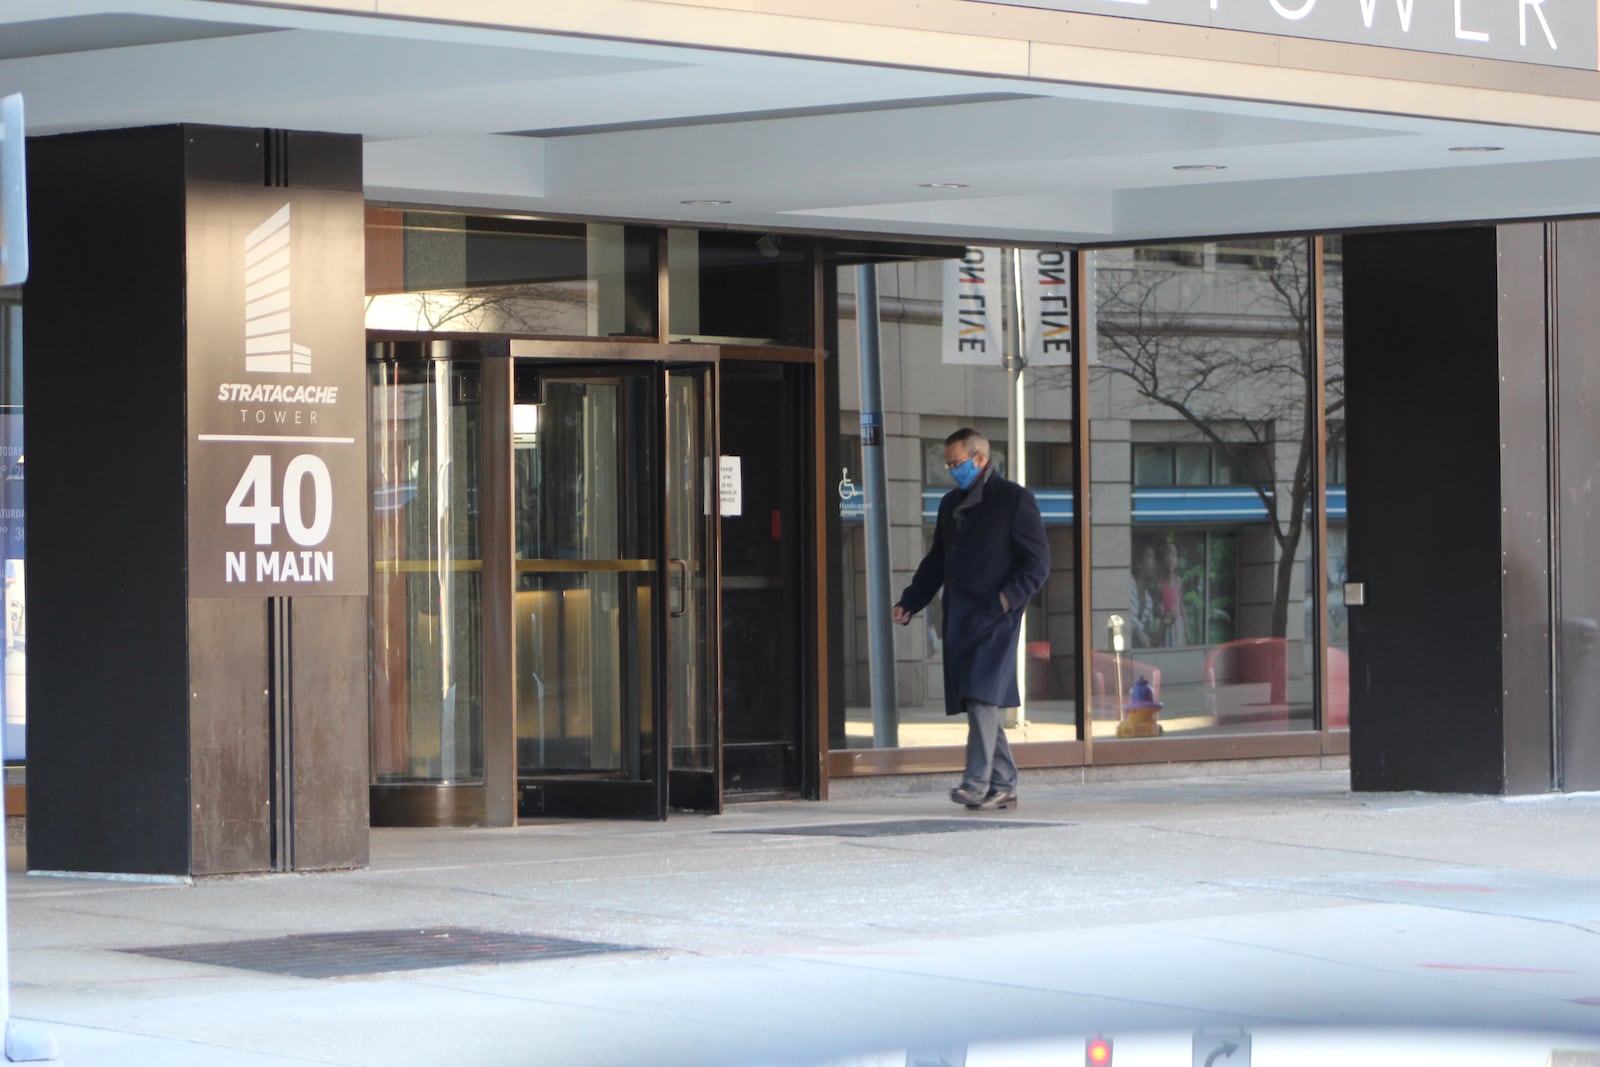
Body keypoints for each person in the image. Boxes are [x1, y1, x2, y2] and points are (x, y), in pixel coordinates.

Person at [892, 428, 1050, 811]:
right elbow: (937, 561)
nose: (952, 471)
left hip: (997, 617)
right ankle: (1004, 783)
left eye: (957, 463)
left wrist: (1005, 599)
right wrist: (912, 601)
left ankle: (975, 784)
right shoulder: (950, 505)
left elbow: (1038, 563)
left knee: (981, 696)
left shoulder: (1014, 500)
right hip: (961, 617)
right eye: (947, 464)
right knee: (980, 700)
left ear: (981, 458)